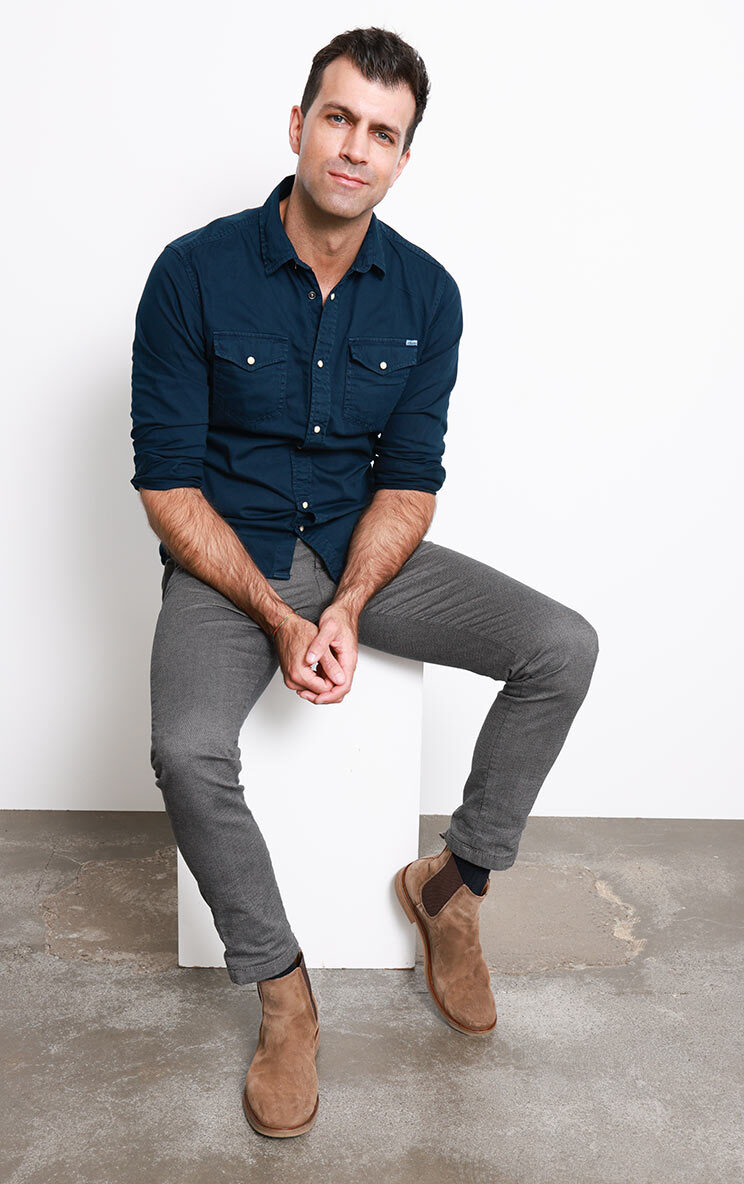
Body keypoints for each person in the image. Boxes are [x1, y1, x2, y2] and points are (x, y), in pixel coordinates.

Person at [128, 26, 599, 1139]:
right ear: (299, 126)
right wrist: (277, 616)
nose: (354, 148)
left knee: (561, 646)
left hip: (360, 554)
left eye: (382, 133)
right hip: (230, 563)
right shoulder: (191, 273)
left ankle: (452, 886)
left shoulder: (426, 295)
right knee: (185, 749)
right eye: (338, 119)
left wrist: (342, 605)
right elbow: (167, 484)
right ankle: (282, 991)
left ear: (402, 158)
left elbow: (409, 479)